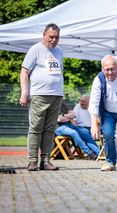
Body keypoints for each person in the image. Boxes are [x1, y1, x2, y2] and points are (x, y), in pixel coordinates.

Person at [20, 23, 63, 171]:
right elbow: (24, 72)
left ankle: (45, 161)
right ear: (44, 35)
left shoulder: (59, 52)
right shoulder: (35, 49)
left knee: (50, 130)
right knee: (36, 128)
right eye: (51, 37)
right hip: (39, 95)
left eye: (56, 37)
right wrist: (24, 93)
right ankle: (32, 160)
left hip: (56, 96)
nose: (54, 40)